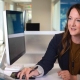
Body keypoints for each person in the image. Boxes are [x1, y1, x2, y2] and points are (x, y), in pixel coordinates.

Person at [17, 3, 80, 80]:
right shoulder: (58, 39)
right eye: (70, 18)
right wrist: (34, 71)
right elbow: (46, 62)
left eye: (78, 20)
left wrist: (74, 77)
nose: (72, 24)